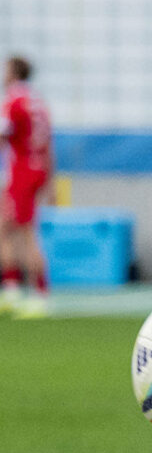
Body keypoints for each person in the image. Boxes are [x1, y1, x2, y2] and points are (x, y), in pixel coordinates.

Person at [2, 56, 52, 316]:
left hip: (20, 171)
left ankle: (40, 293)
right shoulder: (37, 101)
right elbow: (48, 142)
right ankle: (10, 288)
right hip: (36, 170)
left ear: (14, 72)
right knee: (5, 226)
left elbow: (2, 136)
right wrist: (50, 181)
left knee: (26, 232)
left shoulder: (13, 100)